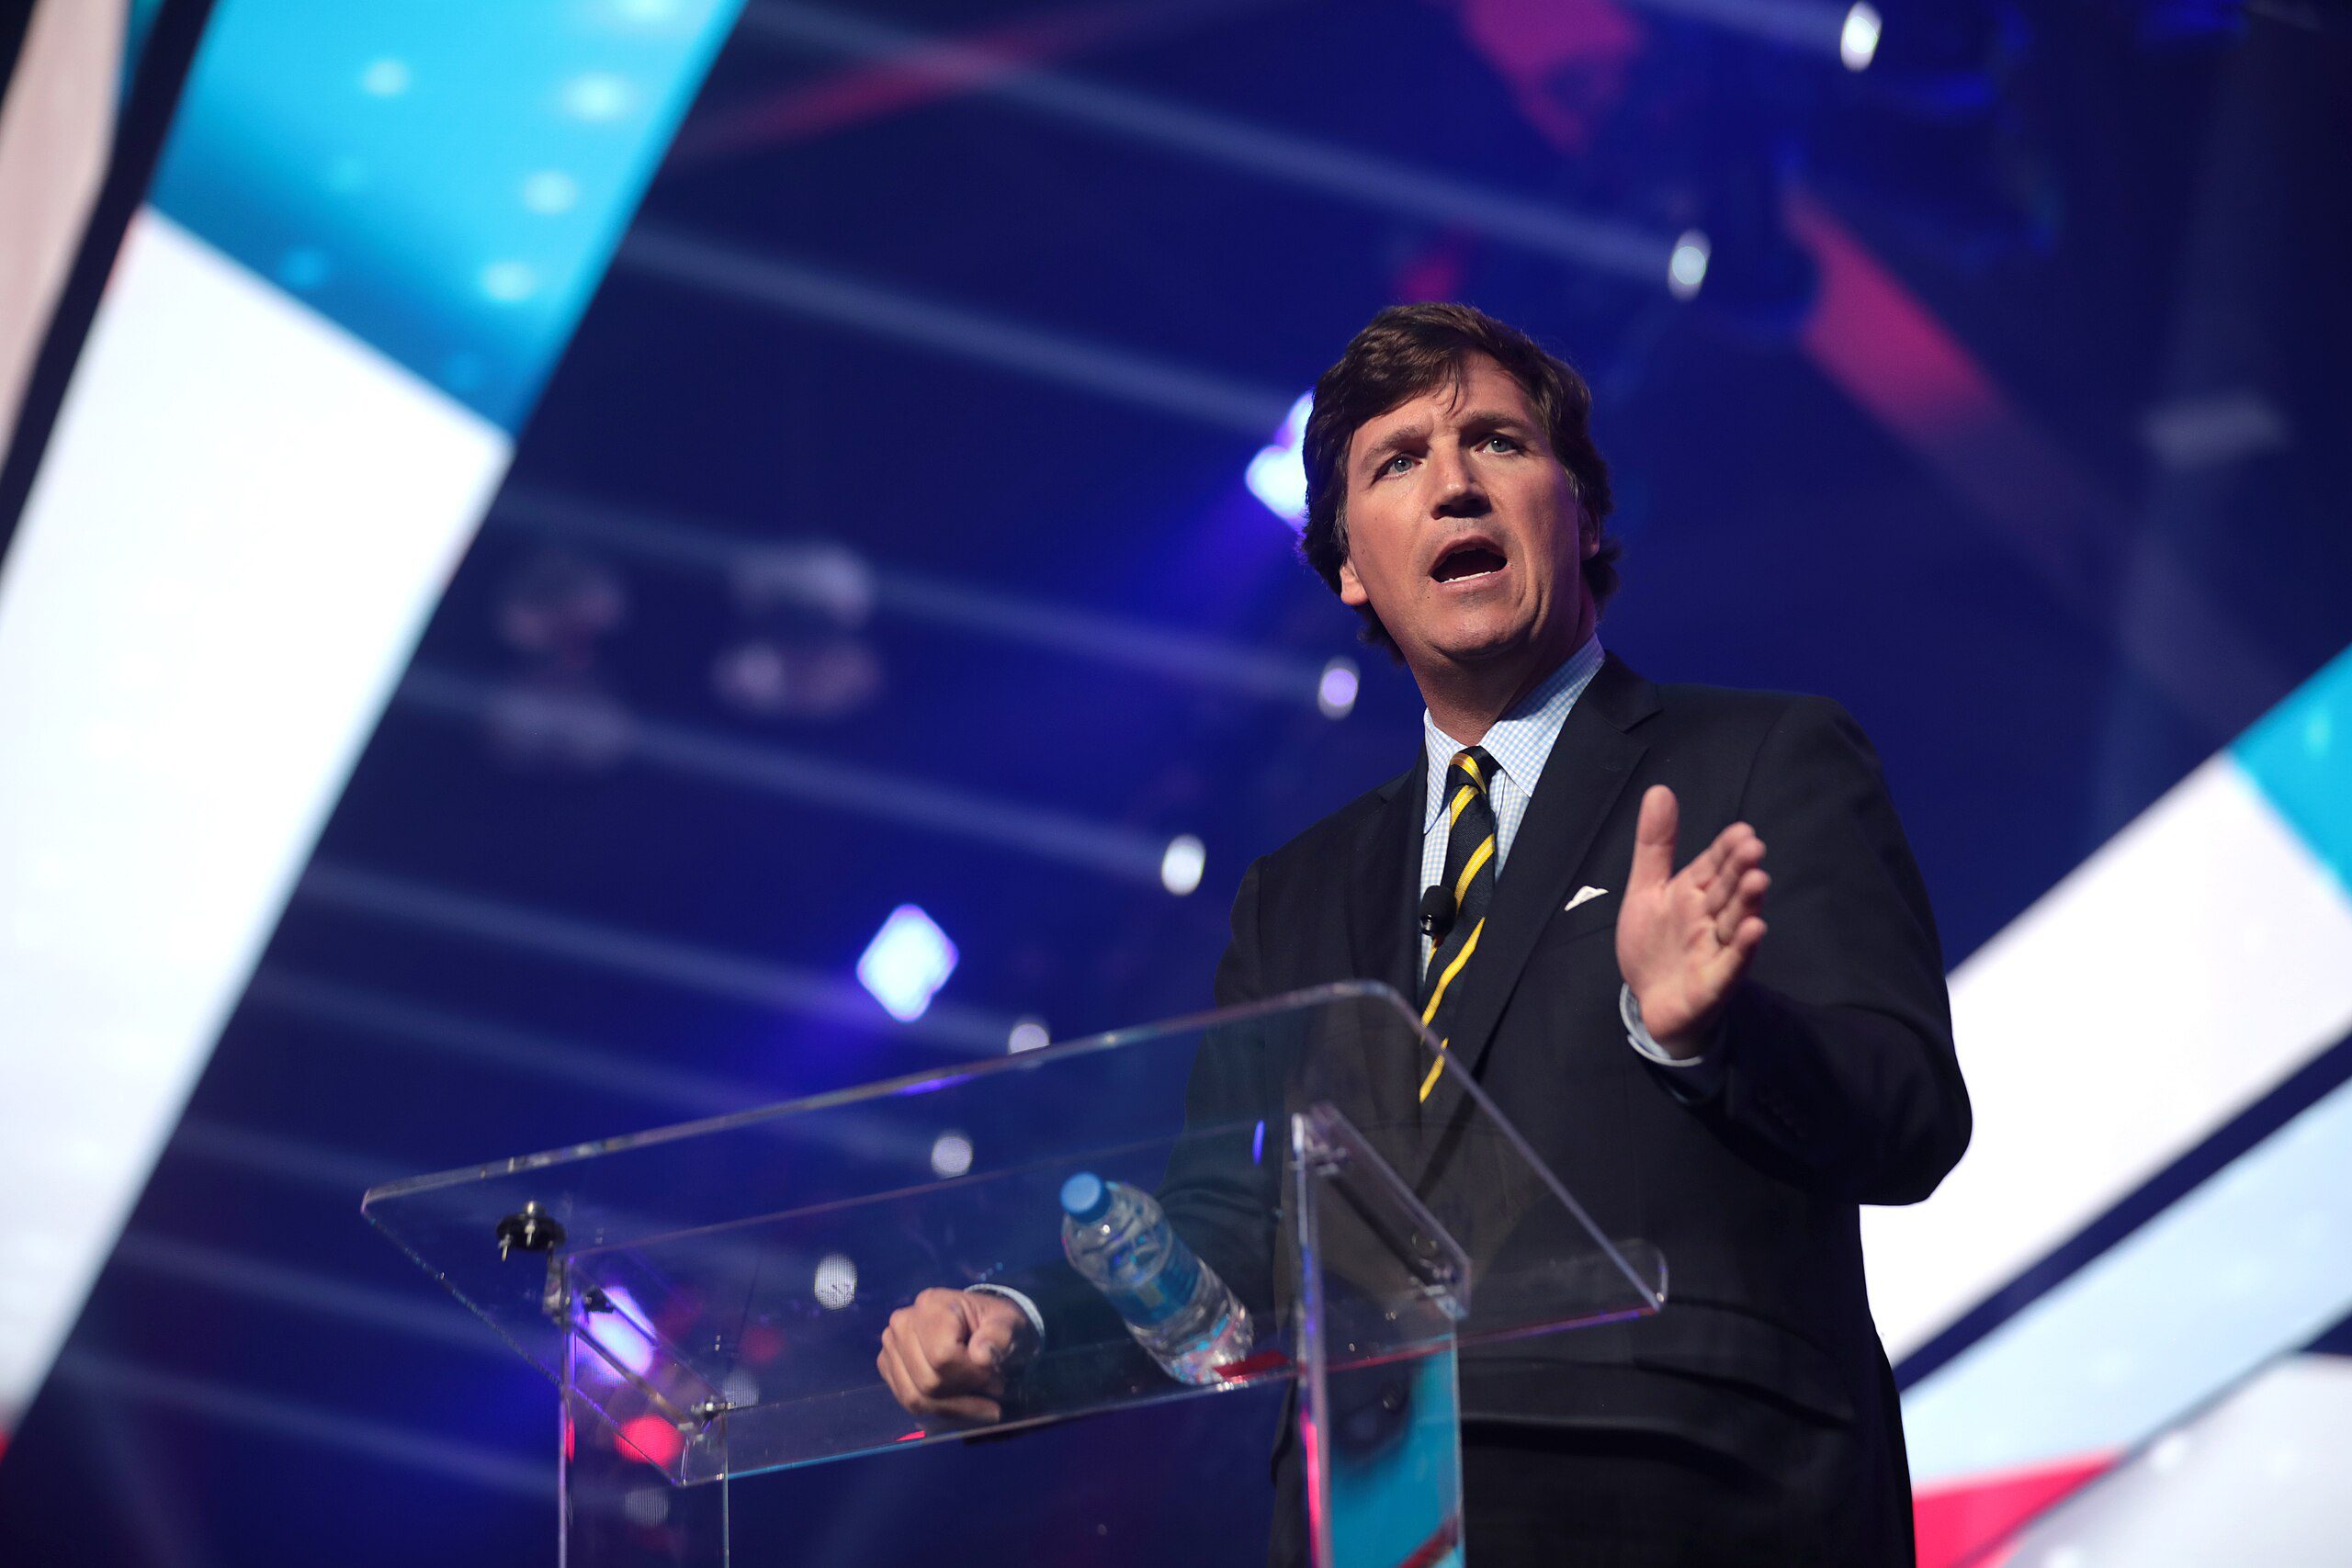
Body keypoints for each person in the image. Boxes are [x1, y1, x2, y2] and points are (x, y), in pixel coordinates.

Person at [877, 302, 1971, 1564]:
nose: (1453, 484)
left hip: (1693, 1499)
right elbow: (1221, 1236)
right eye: (1397, 463)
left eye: (1499, 444)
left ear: (1587, 512)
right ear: (1350, 566)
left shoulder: (1761, 757)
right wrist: (1013, 1317)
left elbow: (1910, 1115)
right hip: (1380, 1524)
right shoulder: (1292, 895)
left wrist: (1705, 1032)